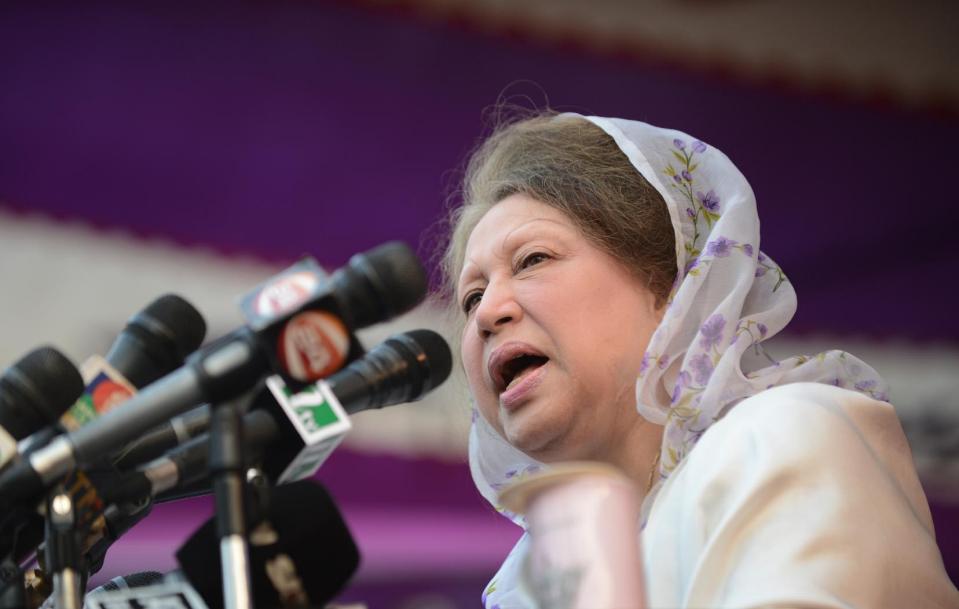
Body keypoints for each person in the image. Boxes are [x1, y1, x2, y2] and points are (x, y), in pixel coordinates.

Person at [442, 112, 959, 608]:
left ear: (673, 289)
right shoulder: (532, 578)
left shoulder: (782, 435)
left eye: (533, 259)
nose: (487, 312)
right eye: (471, 298)